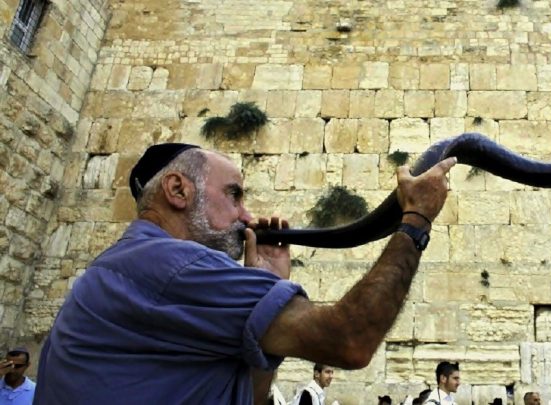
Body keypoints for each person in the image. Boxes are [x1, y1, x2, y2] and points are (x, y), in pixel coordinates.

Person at [33, 143, 457, 404]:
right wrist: (416, 220)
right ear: (178, 191)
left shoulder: (126, 267)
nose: (247, 216)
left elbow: (249, 398)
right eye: (234, 195)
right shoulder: (173, 267)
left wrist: (270, 287)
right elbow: (350, 341)